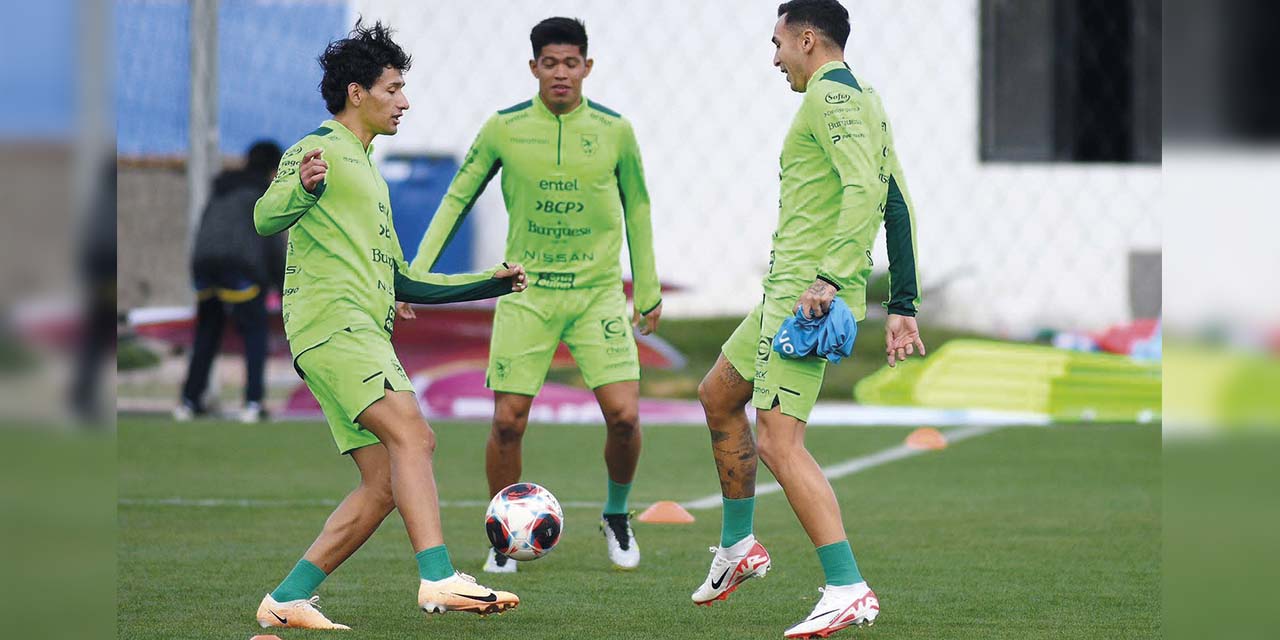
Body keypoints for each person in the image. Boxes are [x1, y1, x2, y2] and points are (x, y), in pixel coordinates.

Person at [249, 20, 529, 630]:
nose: (405, 101)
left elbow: (403, 280)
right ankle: (437, 578)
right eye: (394, 88)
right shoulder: (316, 148)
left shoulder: (368, 169)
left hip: (355, 334)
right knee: (415, 437)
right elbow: (265, 218)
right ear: (357, 92)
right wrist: (297, 186)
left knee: (382, 484)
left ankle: (288, 598)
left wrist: (491, 282)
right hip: (335, 326)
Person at [688, 2, 925, 638]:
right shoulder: (864, 96)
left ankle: (847, 587)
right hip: (784, 294)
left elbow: (865, 193)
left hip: (806, 298)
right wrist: (902, 303)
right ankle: (740, 549)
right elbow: (895, 200)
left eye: (778, 44)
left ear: (808, 39)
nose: (774, 58)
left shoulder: (831, 98)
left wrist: (829, 275)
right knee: (717, 395)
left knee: (778, 442)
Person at [410, 17, 662, 574]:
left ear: (586, 68)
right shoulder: (504, 128)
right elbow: (457, 198)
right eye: (550, 63)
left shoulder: (615, 131)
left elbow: (638, 204)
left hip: (596, 295)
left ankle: (616, 514)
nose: (561, 74)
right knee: (508, 421)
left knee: (623, 416)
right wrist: (418, 275)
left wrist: (646, 286)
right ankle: (503, 536)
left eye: (572, 63)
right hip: (526, 291)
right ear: (534, 68)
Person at [175, 140, 285, 424]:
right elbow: (271, 242)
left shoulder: (221, 188)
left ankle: (188, 402)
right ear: (273, 169)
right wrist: (284, 287)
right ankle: (252, 403)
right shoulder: (262, 193)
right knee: (254, 332)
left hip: (203, 265)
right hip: (240, 267)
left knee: (207, 333)